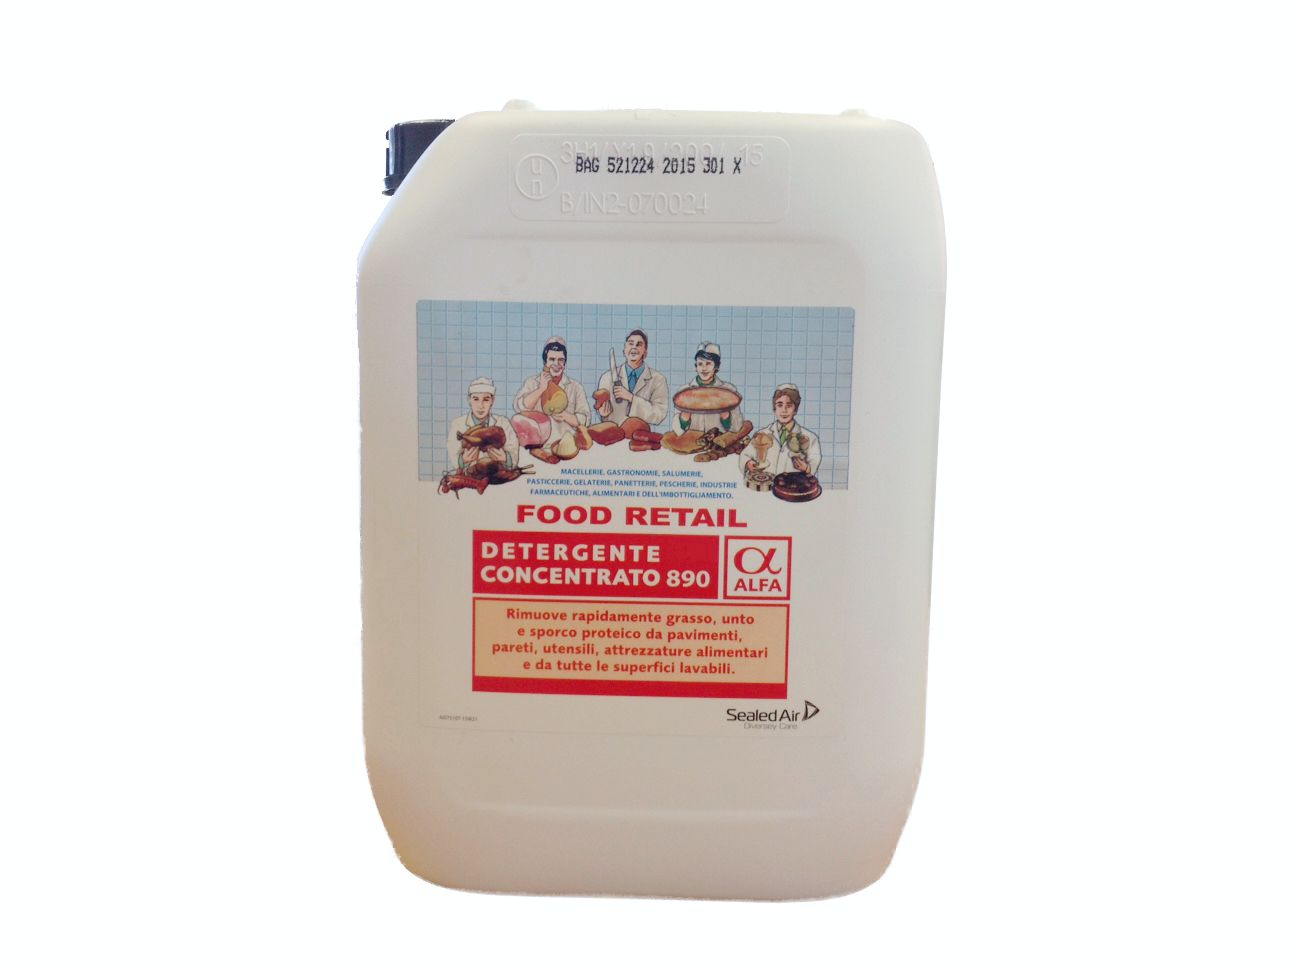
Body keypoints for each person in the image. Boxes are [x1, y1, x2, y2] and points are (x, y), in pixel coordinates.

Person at [512, 336, 590, 445]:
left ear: (565, 363)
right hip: (536, 443)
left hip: (566, 443)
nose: (556, 364)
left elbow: (585, 419)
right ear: (545, 362)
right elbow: (520, 407)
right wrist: (541, 389)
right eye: (552, 359)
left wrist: (566, 416)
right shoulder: (532, 382)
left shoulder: (576, 387)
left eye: (561, 360)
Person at [741, 383, 822, 476]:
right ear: (774, 409)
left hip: (793, 484)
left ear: (795, 410)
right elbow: (745, 455)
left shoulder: (810, 438)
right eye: (780, 405)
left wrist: (807, 468)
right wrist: (748, 463)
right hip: (766, 483)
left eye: (789, 405)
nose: (784, 410)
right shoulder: (761, 434)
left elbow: (814, 461)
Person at [595, 329, 669, 426]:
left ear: (645, 353)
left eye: (639, 344)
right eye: (630, 343)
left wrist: (631, 398)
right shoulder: (607, 378)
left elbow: (659, 415)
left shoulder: (658, 379)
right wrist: (602, 414)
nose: (634, 347)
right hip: (614, 433)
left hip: (641, 434)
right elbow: (601, 410)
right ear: (624, 350)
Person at [447, 377, 520, 470]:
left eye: (486, 399)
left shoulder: (503, 423)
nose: (480, 405)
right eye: (476, 399)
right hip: (470, 475)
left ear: (492, 401)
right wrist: (463, 460)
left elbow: (514, 451)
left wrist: (506, 458)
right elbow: (453, 454)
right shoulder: (458, 424)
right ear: (469, 400)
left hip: (497, 475)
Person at [675, 341, 743, 435]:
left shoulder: (729, 391)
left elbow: (737, 427)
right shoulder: (684, 392)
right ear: (696, 366)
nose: (704, 368)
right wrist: (684, 418)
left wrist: (726, 416)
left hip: (718, 441)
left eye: (708, 363)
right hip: (693, 442)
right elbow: (677, 430)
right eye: (700, 364)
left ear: (716, 367)